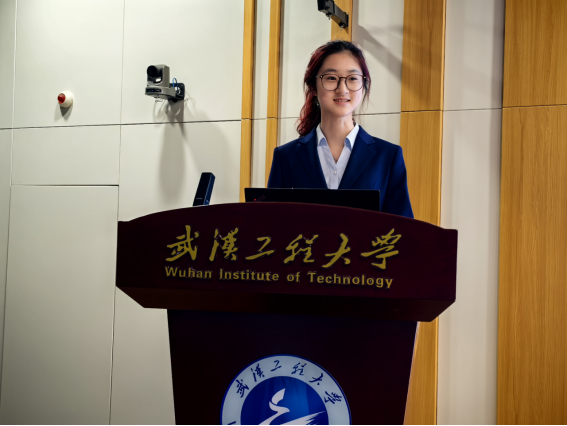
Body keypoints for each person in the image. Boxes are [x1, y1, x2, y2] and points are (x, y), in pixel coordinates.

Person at [267, 40, 413, 219]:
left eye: (352, 78)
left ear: (363, 85)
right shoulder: (285, 157)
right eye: (331, 78)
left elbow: (404, 231)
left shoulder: (388, 156)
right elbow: (271, 225)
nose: (342, 89)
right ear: (313, 87)